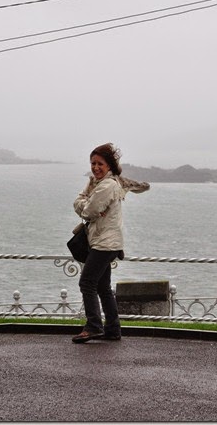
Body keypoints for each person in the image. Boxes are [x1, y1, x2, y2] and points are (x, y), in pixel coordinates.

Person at [72, 143, 149, 343]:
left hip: (104, 243)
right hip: (108, 242)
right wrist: (86, 200)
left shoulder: (106, 186)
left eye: (100, 164)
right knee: (103, 287)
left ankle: (94, 326)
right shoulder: (102, 183)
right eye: (93, 163)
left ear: (110, 166)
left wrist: (83, 202)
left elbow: (87, 210)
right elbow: (87, 206)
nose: (95, 167)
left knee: (87, 283)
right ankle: (113, 329)